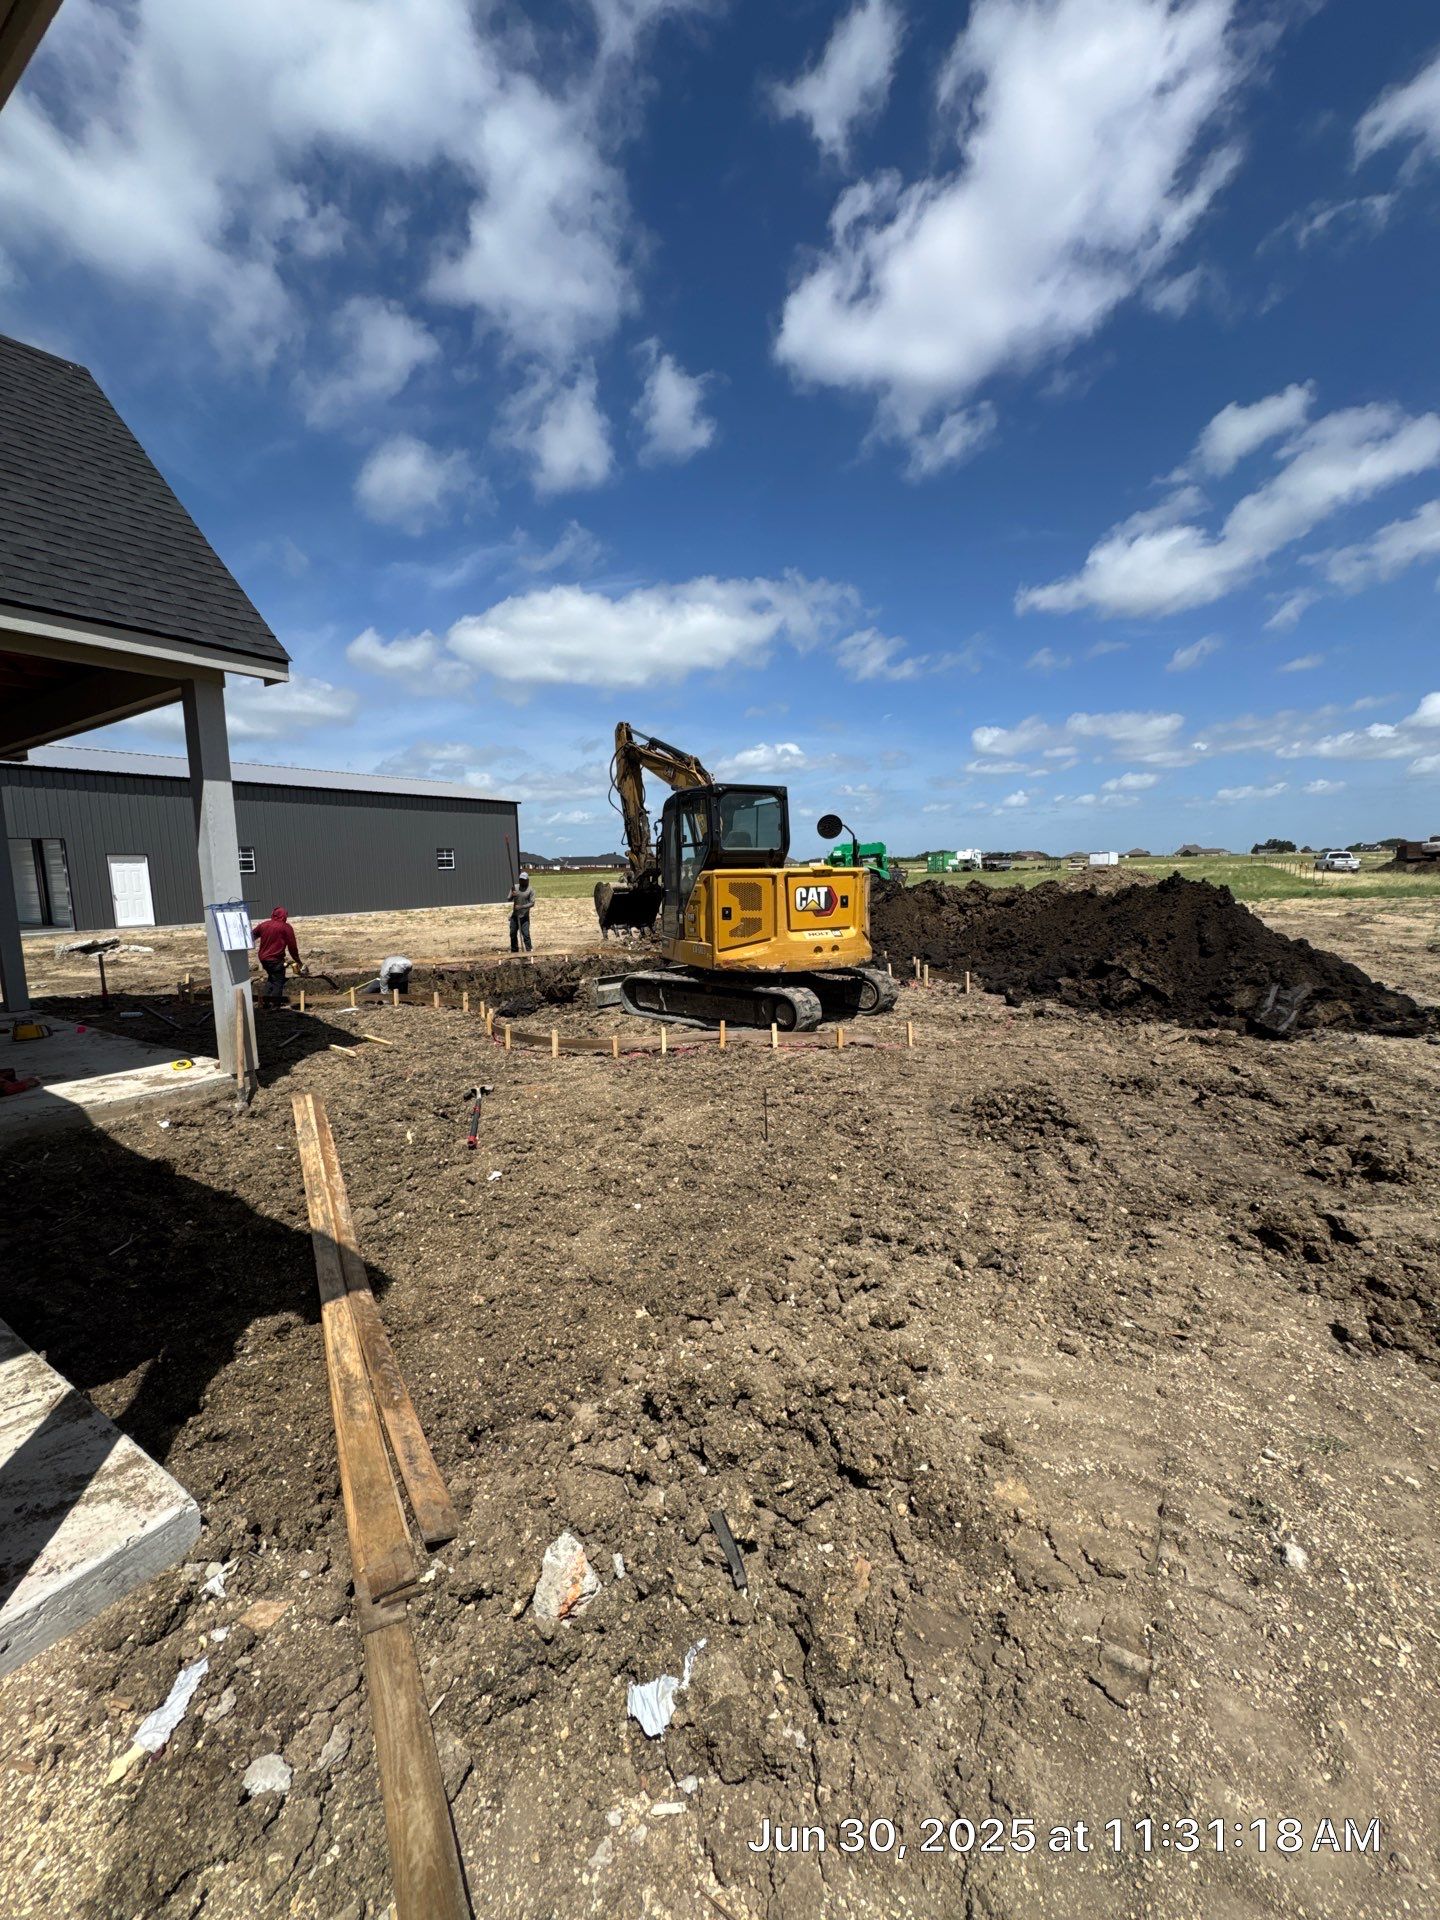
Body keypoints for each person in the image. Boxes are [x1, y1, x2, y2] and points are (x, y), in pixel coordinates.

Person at [253, 905, 300, 1006]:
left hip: (263, 959)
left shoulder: (263, 925)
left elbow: (251, 936)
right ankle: (276, 1005)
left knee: (272, 978)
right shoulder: (286, 927)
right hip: (275, 960)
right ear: (284, 916)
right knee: (279, 981)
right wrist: (298, 960)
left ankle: (264, 1003)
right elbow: (292, 947)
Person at [509, 871, 536, 953]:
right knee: (512, 934)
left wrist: (521, 907)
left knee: (526, 935)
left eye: (524, 880)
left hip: (524, 916)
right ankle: (514, 951)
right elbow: (508, 899)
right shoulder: (515, 887)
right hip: (515, 916)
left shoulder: (531, 890)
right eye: (521, 880)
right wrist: (512, 895)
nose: (522, 881)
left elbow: (532, 903)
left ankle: (529, 951)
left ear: (527, 880)